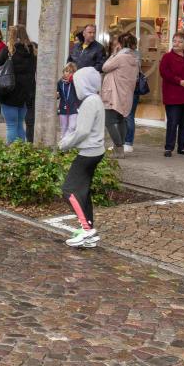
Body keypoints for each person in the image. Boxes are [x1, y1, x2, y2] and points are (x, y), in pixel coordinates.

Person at [58, 67, 105, 248]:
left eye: (77, 83)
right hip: (95, 151)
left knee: (69, 190)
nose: (76, 86)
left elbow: (82, 132)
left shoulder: (89, 102)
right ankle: (89, 231)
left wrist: (65, 144)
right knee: (83, 191)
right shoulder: (95, 99)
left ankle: (86, 230)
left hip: (88, 153)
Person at [0, 25, 36, 143]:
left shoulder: (9, 50)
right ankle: (21, 150)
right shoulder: (32, 50)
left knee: (11, 125)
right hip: (26, 93)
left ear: (12, 35)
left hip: (9, 91)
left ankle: (12, 151)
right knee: (19, 124)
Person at [100, 32, 139, 158]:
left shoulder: (120, 57)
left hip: (113, 94)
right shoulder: (134, 58)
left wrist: (113, 54)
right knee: (121, 120)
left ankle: (118, 148)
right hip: (126, 94)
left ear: (121, 44)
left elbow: (105, 67)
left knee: (109, 121)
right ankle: (120, 148)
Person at [57, 62, 78, 137]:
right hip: (63, 108)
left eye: (70, 72)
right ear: (63, 72)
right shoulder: (60, 82)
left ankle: (68, 141)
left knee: (72, 127)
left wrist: (72, 79)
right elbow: (58, 95)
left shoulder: (75, 82)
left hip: (73, 109)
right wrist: (57, 95)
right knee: (63, 128)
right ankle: (63, 142)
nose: (68, 73)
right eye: (66, 71)